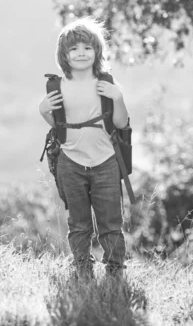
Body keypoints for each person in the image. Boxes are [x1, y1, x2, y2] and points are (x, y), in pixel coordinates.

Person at [39, 17, 129, 279]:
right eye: (74, 48)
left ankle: (115, 273)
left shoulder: (107, 85)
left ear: (97, 51)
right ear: (64, 54)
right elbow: (57, 125)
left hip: (106, 161)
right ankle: (82, 270)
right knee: (78, 224)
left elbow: (121, 123)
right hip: (71, 161)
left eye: (87, 48)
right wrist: (42, 111)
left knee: (111, 223)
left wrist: (118, 98)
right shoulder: (59, 86)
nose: (81, 53)